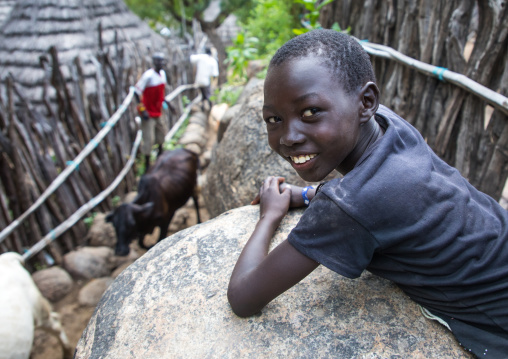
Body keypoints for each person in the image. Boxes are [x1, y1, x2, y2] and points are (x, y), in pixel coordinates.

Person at [227, 29, 508, 357]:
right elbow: (375, 197)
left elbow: (244, 297)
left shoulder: (351, 207)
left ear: (366, 102)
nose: (288, 136)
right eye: (273, 119)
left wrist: (270, 215)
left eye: (310, 112)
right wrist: (305, 196)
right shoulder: (391, 128)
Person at [134, 52, 174, 171]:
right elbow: (137, 92)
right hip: (148, 114)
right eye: (158, 61)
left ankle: (160, 158)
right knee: (149, 139)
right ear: (154, 62)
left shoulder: (162, 74)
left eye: (162, 61)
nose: (161, 63)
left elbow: (161, 94)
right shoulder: (148, 76)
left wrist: (169, 104)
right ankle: (147, 165)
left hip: (158, 111)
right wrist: (143, 109)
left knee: (161, 134)